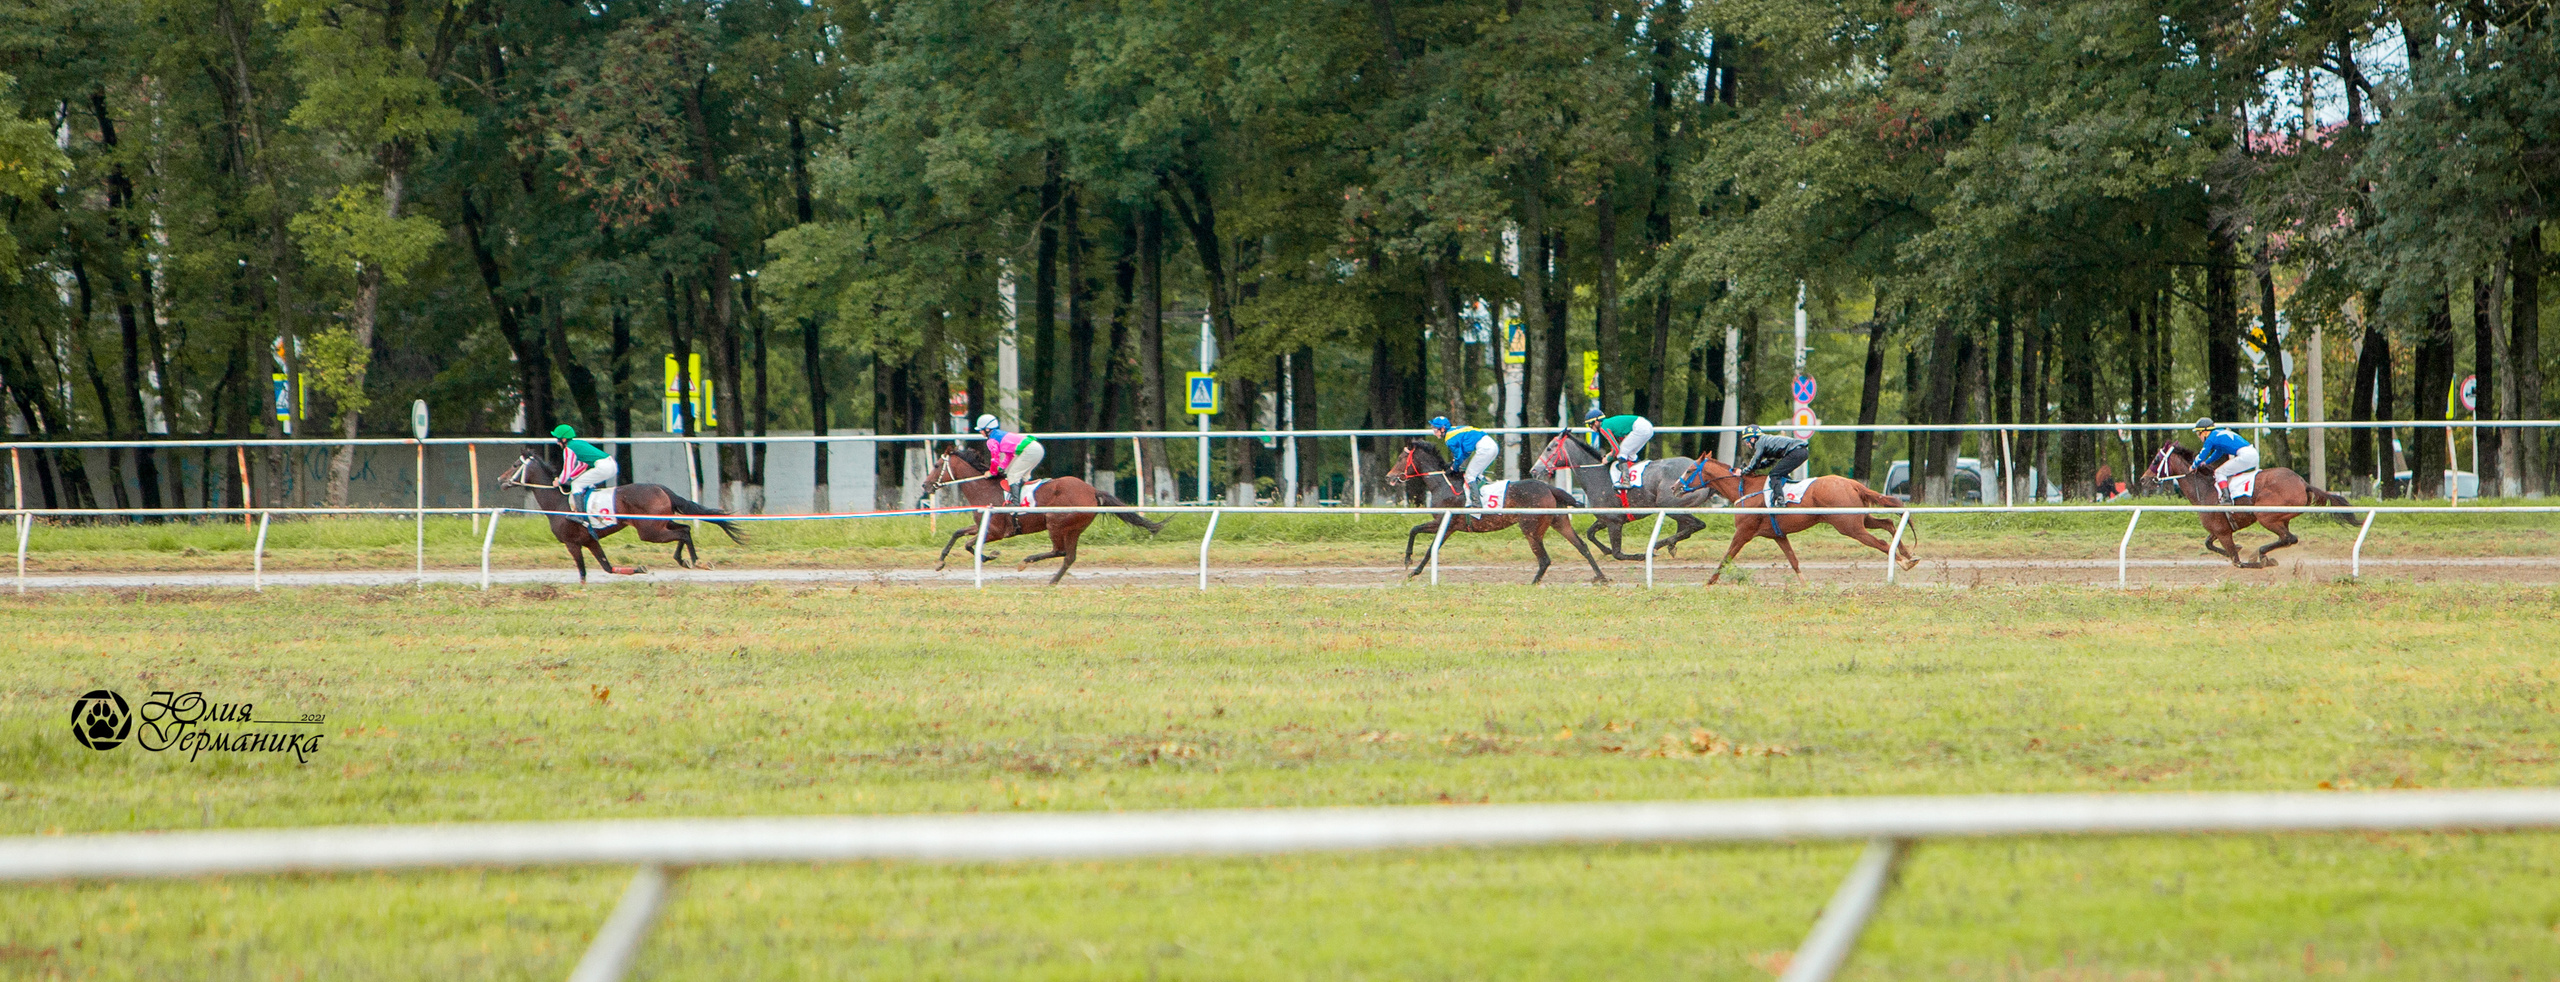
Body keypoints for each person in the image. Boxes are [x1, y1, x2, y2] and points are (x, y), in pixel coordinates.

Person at [1736, 424, 1811, 536]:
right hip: (1799, 451)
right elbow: (1769, 462)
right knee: (1780, 473)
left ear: (1753, 438)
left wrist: (1743, 471)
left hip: (1797, 451)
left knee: (1774, 474)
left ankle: (1780, 501)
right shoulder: (1766, 441)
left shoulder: (1760, 442)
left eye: (1746, 441)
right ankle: (1788, 494)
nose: (1747, 444)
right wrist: (1751, 468)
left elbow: (1755, 461)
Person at [974, 414, 1045, 505]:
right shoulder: (1001, 434)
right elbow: (1009, 456)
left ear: (987, 429)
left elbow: (995, 459)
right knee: (1022, 476)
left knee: (1013, 475)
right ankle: (1024, 501)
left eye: (980, 430)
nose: (980, 432)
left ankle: (1015, 504)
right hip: (1037, 448)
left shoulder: (991, 440)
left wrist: (992, 472)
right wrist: (1001, 468)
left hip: (1030, 450)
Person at [1428, 415, 1499, 506]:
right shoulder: (1453, 431)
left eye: (1435, 430)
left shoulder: (1449, 439)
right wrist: (1455, 464)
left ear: (1442, 429)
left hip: (1485, 449)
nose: (1434, 433)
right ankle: (1486, 495)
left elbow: (1459, 456)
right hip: (1492, 446)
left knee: (1470, 476)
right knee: (1476, 475)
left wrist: (1454, 467)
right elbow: (1465, 453)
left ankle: (1476, 504)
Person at [1581, 408, 1655, 487]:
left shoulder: (1603, 427)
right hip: (1648, 427)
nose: (1590, 427)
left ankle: (1626, 482)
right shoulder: (1610, 424)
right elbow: (1621, 443)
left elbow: (1616, 449)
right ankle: (1640, 476)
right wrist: (1611, 454)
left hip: (1641, 428)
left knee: (1621, 454)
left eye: (1590, 424)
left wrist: (1607, 459)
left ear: (1596, 422)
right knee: (1630, 455)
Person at [551, 424, 617, 513]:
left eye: (558, 439)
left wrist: (559, 482)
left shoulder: (568, 449)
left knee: (576, 485)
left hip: (603, 467)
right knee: (587, 484)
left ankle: (580, 515)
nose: (557, 443)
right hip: (612, 464)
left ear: (564, 439)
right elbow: (582, 466)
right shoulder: (579, 443)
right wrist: (570, 478)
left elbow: (567, 470)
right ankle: (592, 508)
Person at [2190, 418, 2258, 502]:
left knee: (2219, 472)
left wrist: (2193, 466)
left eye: (2198, 434)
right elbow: (2218, 452)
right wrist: (2206, 462)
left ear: (2205, 432)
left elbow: (2202, 454)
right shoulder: (2217, 434)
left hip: (2245, 456)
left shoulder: (2210, 439)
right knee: (2227, 472)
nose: (2199, 437)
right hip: (2252, 453)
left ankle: (2226, 498)